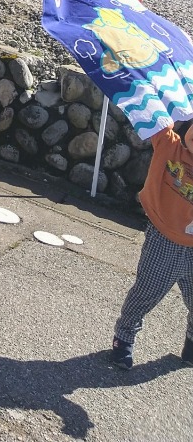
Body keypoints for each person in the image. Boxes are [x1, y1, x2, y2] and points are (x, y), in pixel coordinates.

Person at [110, 119, 193, 369]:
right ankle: (124, 337)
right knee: (146, 292)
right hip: (163, 239)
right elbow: (157, 122)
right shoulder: (171, 146)